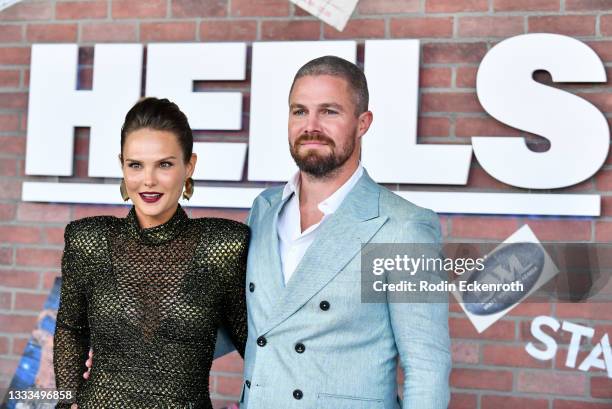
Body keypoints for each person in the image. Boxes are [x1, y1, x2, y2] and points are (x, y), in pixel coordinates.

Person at [240, 56, 451, 408]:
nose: (311, 126)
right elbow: (252, 322)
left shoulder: (403, 227)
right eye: (299, 111)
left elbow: (427, 366)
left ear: (362, 123)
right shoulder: (264, 209)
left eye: (329, 112)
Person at [53, 97, 249, 409]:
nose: (148, 179)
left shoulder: (223, 244)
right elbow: (69, 330)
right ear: (122, 166)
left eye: (165, 164)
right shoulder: (88, 239)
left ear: (190, 165)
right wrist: (69, 401)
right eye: (136, 165)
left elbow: (257, 347)